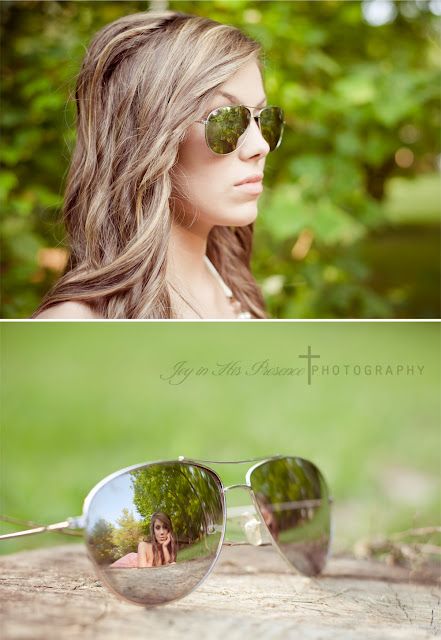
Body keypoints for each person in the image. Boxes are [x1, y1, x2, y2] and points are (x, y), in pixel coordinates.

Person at [33, 10, 284, 319]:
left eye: (264, 118)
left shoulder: (235, 289)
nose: (260, 146)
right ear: (150, 139)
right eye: (227, 119)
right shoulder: (76, 325)